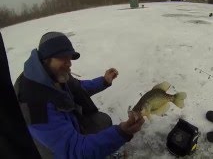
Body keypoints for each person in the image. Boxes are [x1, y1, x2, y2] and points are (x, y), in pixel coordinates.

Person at [14, 31, 145, 159]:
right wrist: (122, 132)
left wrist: (104, 81)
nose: (69, 64)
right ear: (46, 59)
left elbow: (77, 87)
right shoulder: (35, 104)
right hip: (57, 152)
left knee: (102, 121)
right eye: (63, 58)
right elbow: (74, 151)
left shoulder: (51, 73)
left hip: (70, 125)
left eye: (69, 58)